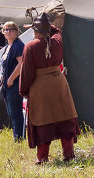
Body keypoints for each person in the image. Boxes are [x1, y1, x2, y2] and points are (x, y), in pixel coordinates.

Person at [19, 12, 79, 165]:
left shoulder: (30, 46)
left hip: (40, 88)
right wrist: (46, 24)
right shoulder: (57, 42)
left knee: (43, 123)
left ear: (36, 31)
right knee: (64, 119)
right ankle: (69, 155)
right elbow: (57, 31)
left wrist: (24, 90)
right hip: (59, 84)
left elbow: (26, 71)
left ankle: (42, 159)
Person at [0, 21, 26, 141]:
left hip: (14, 84)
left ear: (16, 31)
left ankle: (19, 138)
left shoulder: (18, 46)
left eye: (10, 29)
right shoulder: (7, 47)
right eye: (5, 29)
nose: (8, 32)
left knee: (16, 113)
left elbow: (22, 64)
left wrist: (11, 79)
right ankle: (17, 136)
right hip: (6, 85)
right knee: (12, 113)